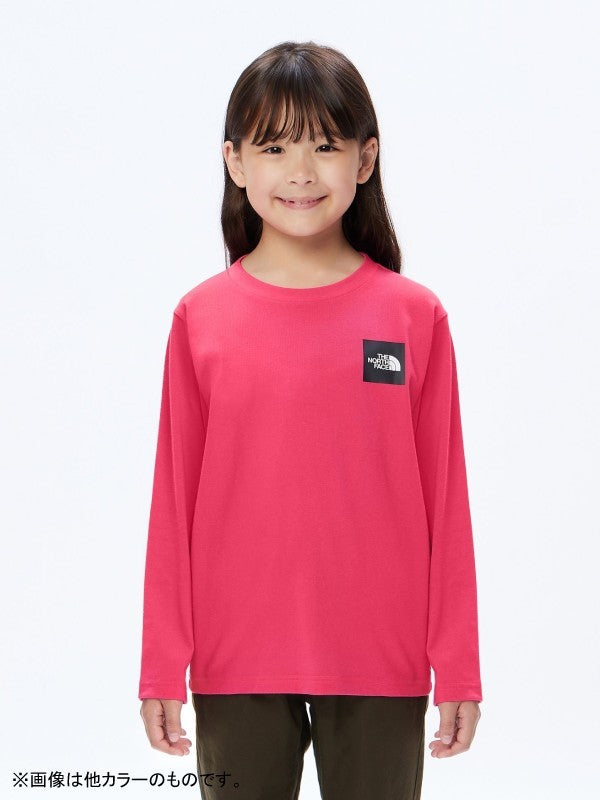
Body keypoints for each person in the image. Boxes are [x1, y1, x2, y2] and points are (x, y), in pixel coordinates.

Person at [138, 40, 483, 800]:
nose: (300, 171)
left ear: (366, 158)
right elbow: (174, 500)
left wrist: (458, 663)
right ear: (234, 161)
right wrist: (162, 662)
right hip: (235, 655)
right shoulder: (201, 319)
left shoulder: (412, 316)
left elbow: (445, 500)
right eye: (274, 147)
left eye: (325, 146)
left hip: (382, 657)